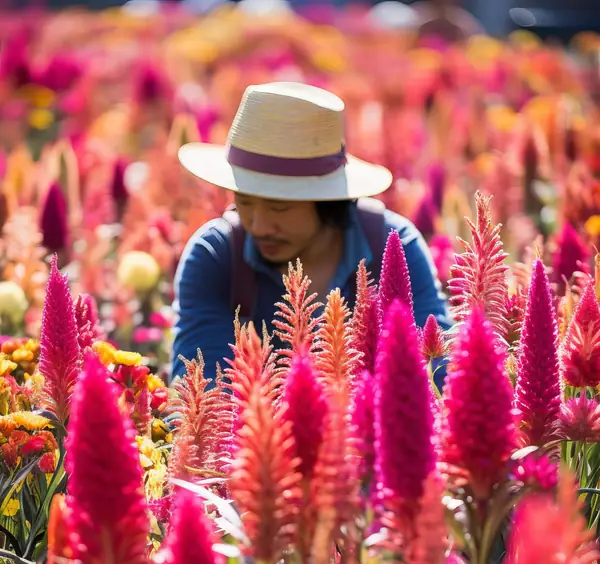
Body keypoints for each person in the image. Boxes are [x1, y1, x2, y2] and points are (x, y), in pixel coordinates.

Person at [171, 81, 451, 383]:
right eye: (245, 202)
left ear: (327, 201)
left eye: (280, 208)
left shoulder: (393, 246)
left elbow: (438, 371)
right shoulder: (215, 256)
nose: (259, 225)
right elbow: (205, 383)